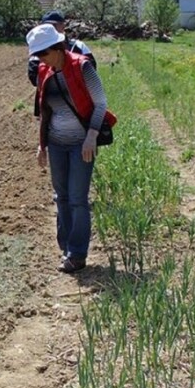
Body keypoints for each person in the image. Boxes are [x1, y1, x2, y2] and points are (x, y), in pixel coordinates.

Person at [27, 24, 116, 273]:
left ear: (56, 48)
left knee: (78, 200)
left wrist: (91, 137)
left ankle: (77, 254)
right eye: (37, 56)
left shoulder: (82, 66)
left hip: (81, 144)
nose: (39, 60)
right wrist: (42, 145)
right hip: (56, 144)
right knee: (61, 197)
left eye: (42, 54)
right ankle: (66, 248)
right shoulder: (45, 71)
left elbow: (101, 104)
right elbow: (44, 112)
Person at [27, 11, 96, 118]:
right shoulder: (39, 51)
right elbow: (33, 76)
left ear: (63, 26)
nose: (51, 28)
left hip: (79, 100)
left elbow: (92, 70)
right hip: (51, 103)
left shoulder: (78, 46)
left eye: (54, 25)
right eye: (46, 26)